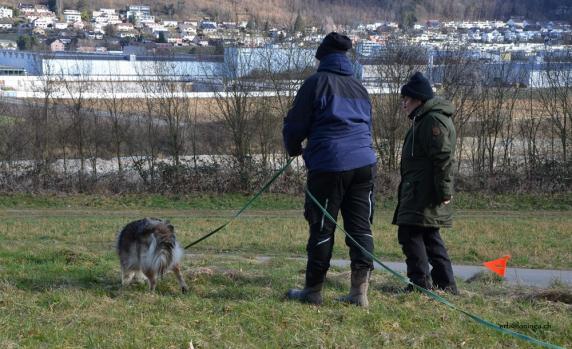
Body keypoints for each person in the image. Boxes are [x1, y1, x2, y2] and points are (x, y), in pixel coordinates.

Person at [282, 32, 377, 307]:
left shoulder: (316, 83)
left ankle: (313, 292)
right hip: (364, 164)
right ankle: (360, 294)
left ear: (322, 58)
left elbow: (295, 125)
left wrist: (294, 148)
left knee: (322, 228)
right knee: (360, 229)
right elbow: (367, 128)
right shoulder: (359, 88)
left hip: (329, 165)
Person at [393, 71, 458, 294]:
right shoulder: (423, 119)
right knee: (428, 235)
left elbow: (443, 158)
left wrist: (444, 191)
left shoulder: (432, 120)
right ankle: (445, 285)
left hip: (424, 192)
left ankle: (421, 284)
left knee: (411, 234)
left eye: (406, 99)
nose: (403, 104)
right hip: (417, 190)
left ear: (418, 99)